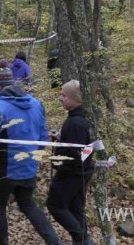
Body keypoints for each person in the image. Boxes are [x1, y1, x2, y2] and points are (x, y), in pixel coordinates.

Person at [0, 66, 63, 245]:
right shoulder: (36, 104)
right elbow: (43, 137)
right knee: (27, 203)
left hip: (3, 168)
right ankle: (54, 240)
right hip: (28, 165)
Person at [47, 80, 94, 245]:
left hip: (72, 174)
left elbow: (78, 153)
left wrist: (58, 162)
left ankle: (82, 239)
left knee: (55, 204)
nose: (61, 98)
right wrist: (60, 139)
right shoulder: (79, 119)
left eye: (64, 95)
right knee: (75, 209)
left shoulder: (76, 123)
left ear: (76, 99)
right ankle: (81, 241)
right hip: (81, 171)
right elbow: (84, 147)